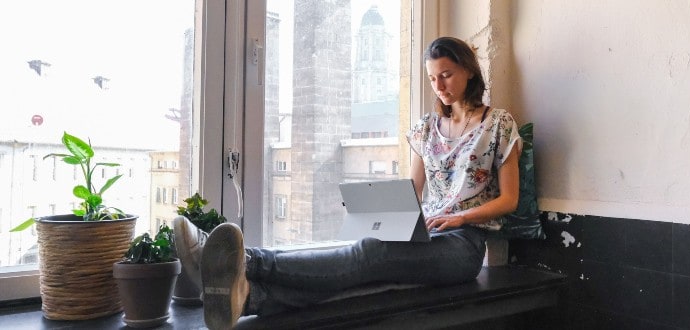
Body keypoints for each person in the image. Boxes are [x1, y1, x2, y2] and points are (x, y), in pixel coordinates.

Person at [174, 36, 522, 329]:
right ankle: (250, 297)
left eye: (446, 74)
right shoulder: (425, 128)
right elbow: (415, 190)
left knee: (370, 254)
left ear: (469, 71)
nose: (439, 86)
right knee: (365, 257)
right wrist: (379, 210)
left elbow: (510, 200)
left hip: (465, 245)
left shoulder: (498, 124)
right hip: (428, 232)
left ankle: (241, 260)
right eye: (433, 78)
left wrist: (461, 217)